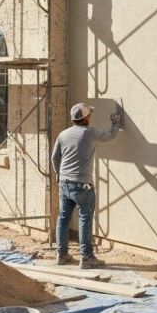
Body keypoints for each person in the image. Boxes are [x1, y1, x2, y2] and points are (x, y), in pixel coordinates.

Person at [52, 102, 122, 268]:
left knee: (63, 218)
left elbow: (55, 157)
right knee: (85, 220)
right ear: (86, 118)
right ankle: (86, 257)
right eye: (89, 114)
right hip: (83, 184)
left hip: (64, 183)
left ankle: (61, 255)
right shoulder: (89, 133)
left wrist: (58, 174)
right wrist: (116, 122)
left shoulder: (63, 134)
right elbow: (111, 135)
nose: (90, 116)